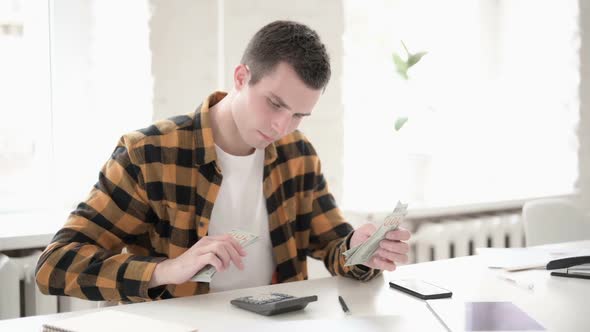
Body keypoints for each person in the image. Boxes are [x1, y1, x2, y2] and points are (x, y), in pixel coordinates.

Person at [35, 20, 411, 302]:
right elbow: (54, 266)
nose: (282, 126)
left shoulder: (298, 155)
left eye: (299, 115)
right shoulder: (148, 154)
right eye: (275, 103)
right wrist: (167, 270)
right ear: (241, 77)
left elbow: (333, 247)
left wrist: (361, 249)